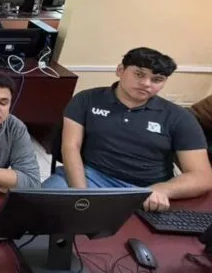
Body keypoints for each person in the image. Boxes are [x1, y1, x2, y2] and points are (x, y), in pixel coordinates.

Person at [42, 48, 212, 210]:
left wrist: (162, 190)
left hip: (147, 189)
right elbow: (71, 147)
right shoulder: (86, 99)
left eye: (157, 79)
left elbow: (202, 176)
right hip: (90, 176)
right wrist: (82, 195)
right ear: (120, 70)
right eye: (139, 74)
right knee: (41, 207)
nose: (146, 83)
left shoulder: (179, 117)